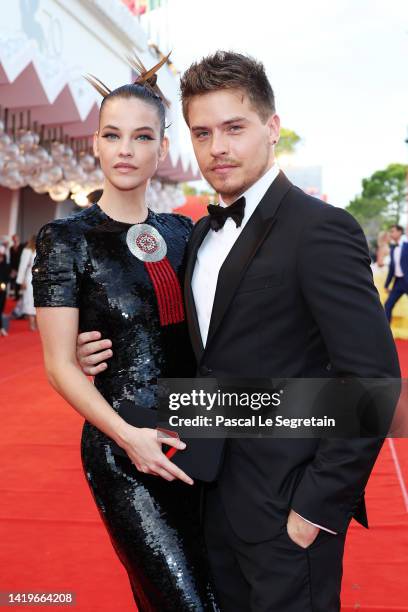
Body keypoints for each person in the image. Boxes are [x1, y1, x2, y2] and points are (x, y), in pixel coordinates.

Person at [77, 51, 400, 612]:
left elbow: (371, 381)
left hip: (287, 511)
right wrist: (97, 345)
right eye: (202, 133)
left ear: (271, 129)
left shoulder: (321, 230)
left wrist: (313, 511)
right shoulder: (197, 235)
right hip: (205, 494)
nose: (217, 147)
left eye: (234, 128)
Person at [32, 58, 219, 611]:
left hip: (201, 441)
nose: (125, 149)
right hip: (124, 450)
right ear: (95, 143)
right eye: (112, 135)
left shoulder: (187, 232)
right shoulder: (65, 239)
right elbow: (59, 364)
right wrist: (126, 435)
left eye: (142, 137)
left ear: (162, 149)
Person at [384, 224, 408, 322]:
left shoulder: (407, 245)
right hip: (398, 282)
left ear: (399, 232)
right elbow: (392, 269)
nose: (391, 233)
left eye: (393, 231)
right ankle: (386, 334)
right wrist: (387, 285)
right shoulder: (393, 248)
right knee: (388, 305)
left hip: (407, 281)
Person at [16, 235, 37, 331]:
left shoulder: (41, 251)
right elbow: (22, 267)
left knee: (38, 302)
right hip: (29, 278)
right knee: (29, 301)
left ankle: (36, 324)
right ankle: (32, 324)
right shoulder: (27, 251)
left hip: (39, 280)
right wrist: (21, 281)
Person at [9, 234, 24, 299]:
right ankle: (16, 295)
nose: (15, 239)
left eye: (16, 238)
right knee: (14, 281)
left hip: (21, 266)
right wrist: (12, 269)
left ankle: (20, 296)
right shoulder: (11, 248)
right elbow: (11, 258)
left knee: (20, 281)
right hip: (13, 267)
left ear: (18, 239)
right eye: (14, 238)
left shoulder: (22, 247)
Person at [0, 247, 10, 336]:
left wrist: (4, 284)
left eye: (1, 256)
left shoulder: (6, 266)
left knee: (1, 309)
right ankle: (2, 328)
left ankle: (2, 328)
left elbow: (7, 278)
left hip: (2, 291)